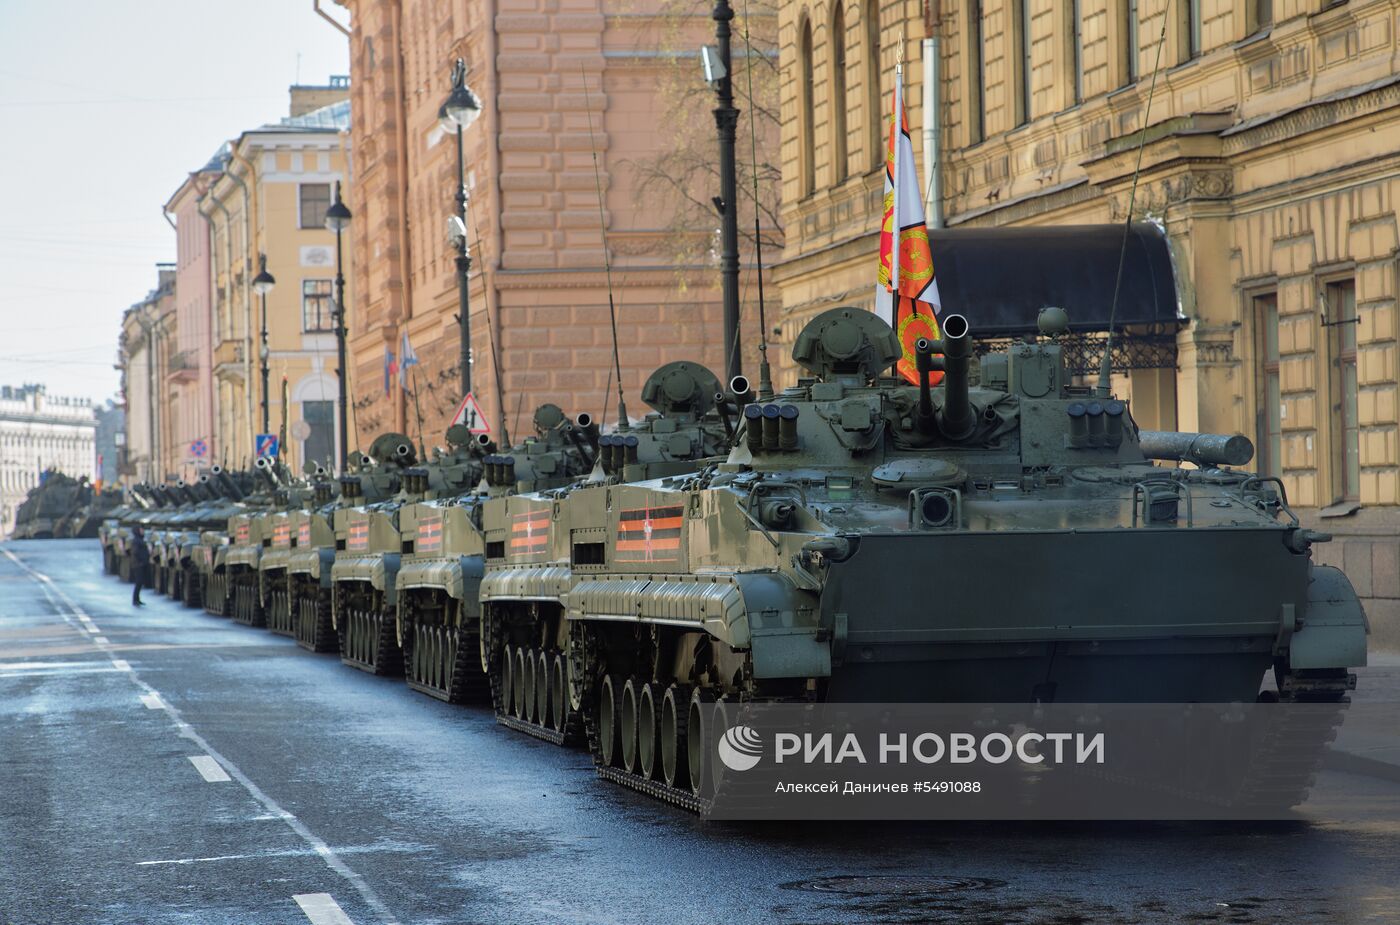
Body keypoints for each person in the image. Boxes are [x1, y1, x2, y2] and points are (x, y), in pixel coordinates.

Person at [130, 525, 150, 607]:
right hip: (138, 564)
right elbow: (135, 552)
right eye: (141, 530)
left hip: (141, 563)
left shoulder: (139, 540)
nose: (143, 531)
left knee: (140, 582)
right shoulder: (137, 541)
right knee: (139, 582)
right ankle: (135, 599)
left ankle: (137, 599)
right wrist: (141, 560)